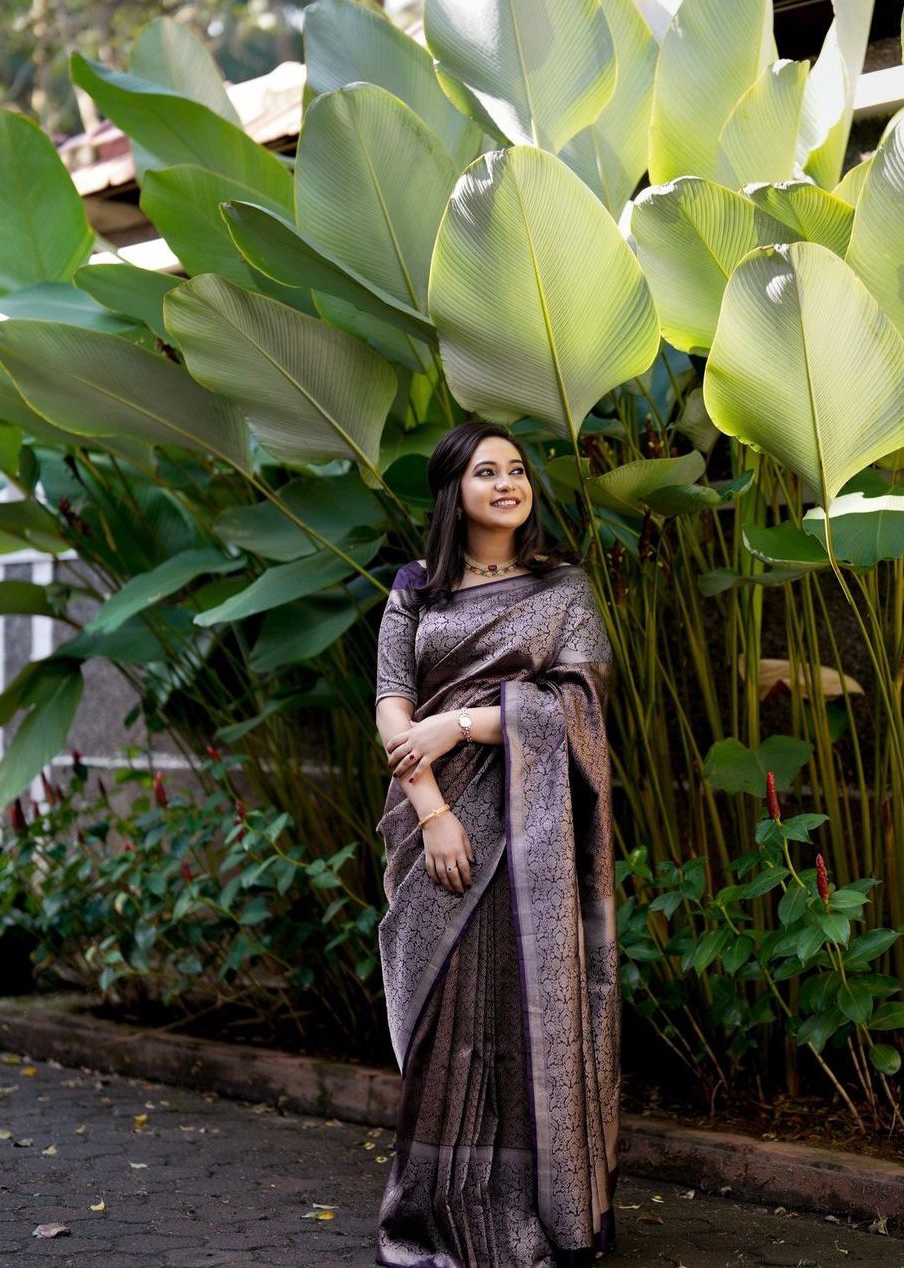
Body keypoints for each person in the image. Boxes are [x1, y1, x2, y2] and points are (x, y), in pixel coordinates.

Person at [372, 419, 620, 1268]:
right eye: (487, 472)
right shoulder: (415, 589)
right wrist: (434, 812)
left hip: (532, 835)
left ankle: (526, 1214)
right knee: (441, 1020)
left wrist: (462, 723)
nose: (508, 484)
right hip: (435, 825)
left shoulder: (563, 589)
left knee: (522, 1014)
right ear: (455, 490)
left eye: (517, 470)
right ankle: (430, 1214)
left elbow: (580, 712)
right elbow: (391, 707)